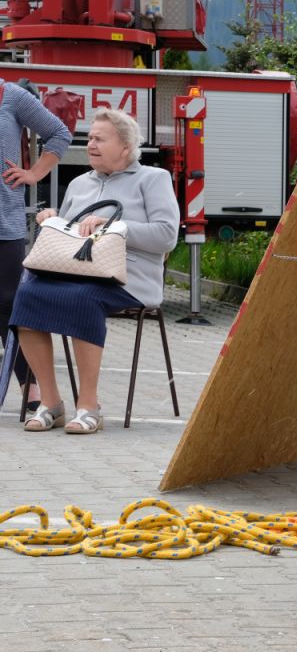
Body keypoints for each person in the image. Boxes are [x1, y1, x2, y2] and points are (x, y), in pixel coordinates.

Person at [12, 108, 179, 434]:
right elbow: (73, 232)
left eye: (100, 139)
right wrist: (53, 219)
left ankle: (89, 406)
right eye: (90, 138)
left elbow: (166, 236)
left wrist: (115, 225)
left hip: (129, 278)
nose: (90, 145)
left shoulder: (153, 179)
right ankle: (51, 402)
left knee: (83, 298)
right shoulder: (79, 183)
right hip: (79, 271)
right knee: (28, 294)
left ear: (126, 147)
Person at [1, 77, 73, 409]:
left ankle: (29, 386)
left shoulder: (10, 96)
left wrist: (34, 174)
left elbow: (59, 133)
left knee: (8, 303)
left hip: (4, 222)